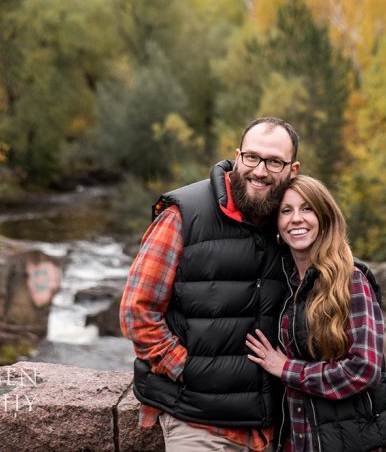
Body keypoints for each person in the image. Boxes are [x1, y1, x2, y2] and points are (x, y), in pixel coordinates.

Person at [120, 117, 301, 451]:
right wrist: (187, 369)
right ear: (238, 156)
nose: (260, 171)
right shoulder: (185, 214)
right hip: (198, 425)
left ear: (292, 169)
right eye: (252, 157)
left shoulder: (293, 222)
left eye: (275, 162)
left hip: (272, 428)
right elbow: (137, 311)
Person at [245, 175, 386, 452]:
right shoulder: (285, 283)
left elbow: (364, 370)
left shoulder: (350, 280)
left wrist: (286, 369)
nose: (296, 219)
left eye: (307, 208)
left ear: (325, 217)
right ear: (276, 223)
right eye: (286, 210)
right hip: (295, 441)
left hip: (344, 443)